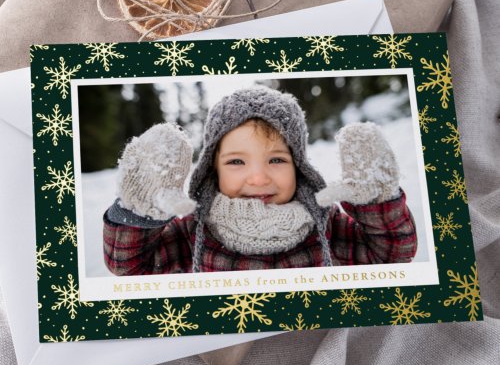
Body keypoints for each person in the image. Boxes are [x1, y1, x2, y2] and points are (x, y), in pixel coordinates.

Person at [103, 86, 417, 274]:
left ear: (299, 167)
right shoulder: (193, 230)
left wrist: (378, 202)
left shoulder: (325, 223)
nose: (258, 177)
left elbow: (392, 256)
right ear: (213, 170)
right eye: (237, 162)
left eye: (277, 160)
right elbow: (129, 267)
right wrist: (139, 210)